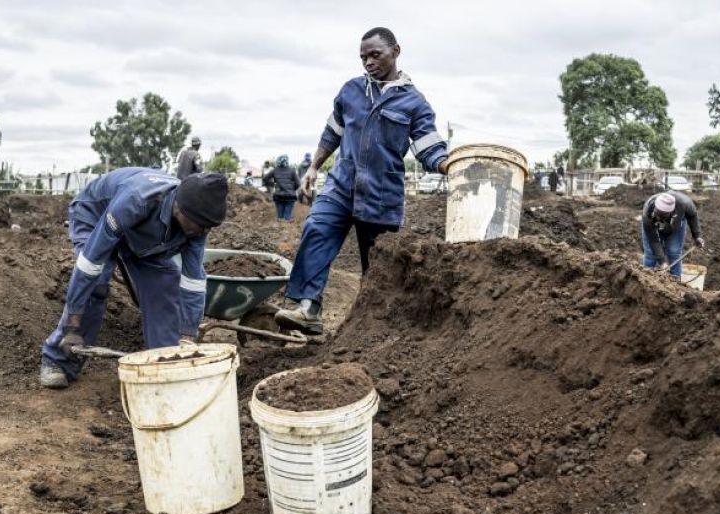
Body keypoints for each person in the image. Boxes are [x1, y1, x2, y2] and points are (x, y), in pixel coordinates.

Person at [275, 26, 448, 335]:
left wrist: (449, 164)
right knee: (317, 228)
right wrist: (314, 166)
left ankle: (370, 329)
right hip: (341, 185)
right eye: (363, 57)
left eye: (375, 55)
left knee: (377, 264)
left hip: (382, 195)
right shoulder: (351, 91)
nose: (368, 62)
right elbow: (332, 132)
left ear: (396, 51)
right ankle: (308, 308)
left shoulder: (414, 103)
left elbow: (429, 147)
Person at [39, 167, 228, 389]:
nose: (203, 232)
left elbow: (193, 282)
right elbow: (90, 263)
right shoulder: (136, 199)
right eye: (200, 226)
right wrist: (73, 325)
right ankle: (58, 360)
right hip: (96, 216)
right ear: (180, 208)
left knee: (165, 285)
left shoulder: (197, 225)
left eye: (208, 227)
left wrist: (188, 336)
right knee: (96, 282)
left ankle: (165, 366)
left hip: (144, 238)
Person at [641, 191, 704, 279]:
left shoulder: (684, 203)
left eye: (663, 216)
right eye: (658, 214)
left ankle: (676, 282)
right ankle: (646, 279)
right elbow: (654, 241)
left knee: (674, 252)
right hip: (653, 226)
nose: (659, 218)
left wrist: (697, 236)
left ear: (671, 212)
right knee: (650, 254)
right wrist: (662, 262)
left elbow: (692, 215)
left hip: (675, 225)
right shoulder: (648, 210)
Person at [262, 155, 301, 221]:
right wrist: (292, 189)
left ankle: (281, 227)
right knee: (287, 217)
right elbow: (298, 183)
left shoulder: (275, 170)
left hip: (278, 196)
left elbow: (265, 179)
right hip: (290, 196)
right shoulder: (292, 171)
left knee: (280, 217)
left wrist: (272, 184)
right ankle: (286, 226)